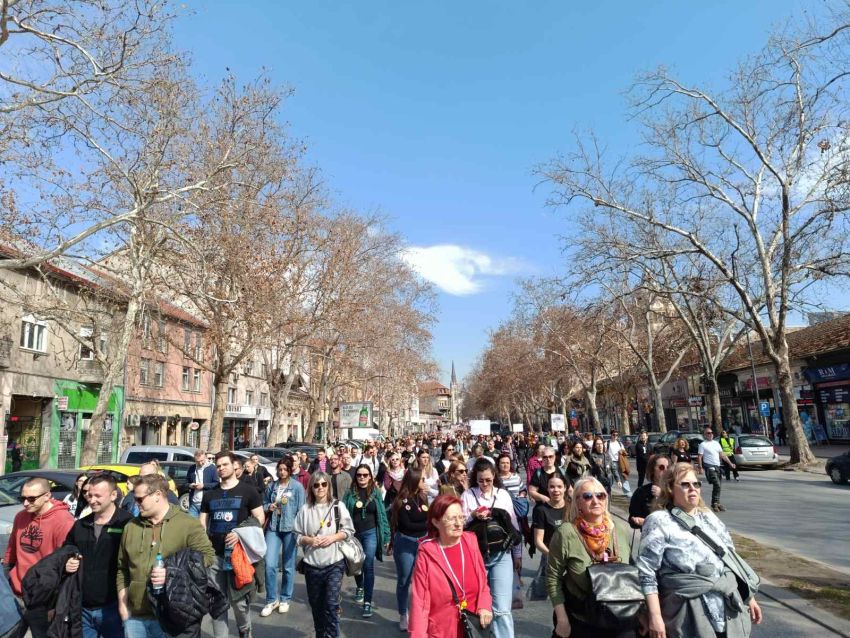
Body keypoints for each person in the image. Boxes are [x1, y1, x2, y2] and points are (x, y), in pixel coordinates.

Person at [636, 463, 763, 637]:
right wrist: (655, 616)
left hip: (727, 608)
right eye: (685, 485)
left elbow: (731, 559)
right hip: (687, 610)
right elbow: (647, 573)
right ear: (670, 489)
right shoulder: (659, 520)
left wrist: (748, 597)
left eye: (696, 484)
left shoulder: (709, 517)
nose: (692, 489)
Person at [117, 473, 215, 638]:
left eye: (140, 499)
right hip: (135, 618)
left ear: (158, 495)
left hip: (174, 617)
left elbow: (207, 557)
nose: (136, 503)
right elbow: (122, 568)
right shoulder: (131, 527)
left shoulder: (188, 524)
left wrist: (172, 571)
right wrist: (123, 606)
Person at [545, 476, 633, 638]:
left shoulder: (620, 529)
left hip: (622, 620)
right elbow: (553, 578)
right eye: (587, 496)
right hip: (582, 620)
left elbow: (634, 573)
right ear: (578, 502)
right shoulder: (566, 533)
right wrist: (562, 619)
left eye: (600, 495)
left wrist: (645, 614)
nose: (595, 501)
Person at [199, 451, 265, 638]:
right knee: (218, 604)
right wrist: (204, 546)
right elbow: (202, 522)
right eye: (218, 466)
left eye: (224, 465)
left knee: (240, 604)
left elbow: (259, 518)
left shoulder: (248, 491)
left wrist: (240, 534)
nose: (221, 468)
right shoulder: (210, 495)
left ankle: (245, 631)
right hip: (215, 557)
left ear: (234, 466)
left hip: (239, 557)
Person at [408, 494, 493, 638]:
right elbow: (420, 604)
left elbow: (483, 582)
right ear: (436, 522)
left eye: (461, 517)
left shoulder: (470, 542)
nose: (459, 524)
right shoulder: (427, 554)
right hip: (442, 631)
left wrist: (484, 605)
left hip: (474, 628)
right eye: (452, 518)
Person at [4, 477, 75, 637]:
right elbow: (11, 551)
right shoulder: (21, 517)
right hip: (16, 593)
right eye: (23, 498)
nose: (25, 503)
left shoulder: (64, 521)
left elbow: (64, 565)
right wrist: (7, 573)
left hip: (43, 598)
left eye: (31, 498)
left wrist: (56, 604)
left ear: (47, 496)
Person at [64, 473, 132, 638]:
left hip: (115, 608)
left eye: (97, 496)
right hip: (83, 609)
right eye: (89, 494)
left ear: (113, 495)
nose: (91, 499)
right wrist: (68, 561)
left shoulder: (128, 524)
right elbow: (66, 550)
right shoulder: (80, 525)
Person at [461, 458, 521, 638]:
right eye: (481, 480)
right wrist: (472, 515)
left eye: (488, 480)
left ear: (494, 476)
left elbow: (513, 525)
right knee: (477, 606)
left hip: (501, 554)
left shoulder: (502, 495)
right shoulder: (468, 495)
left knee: (502, 609)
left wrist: (517, 554)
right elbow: (458, 524)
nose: (485, 484)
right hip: (476, 556)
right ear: (475, 479)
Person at [293, 472, 355, 638]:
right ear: (311, 488)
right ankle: (320, 634)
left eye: (323, 484)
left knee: (331, 604)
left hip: (334, 563)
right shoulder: (305, 510)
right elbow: (296, 535)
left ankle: (333, 635)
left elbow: (349, 531)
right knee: (316, 605)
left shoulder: (338, 506)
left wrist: (333, 537)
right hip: (312, 565)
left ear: (328, 486)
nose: (320, 488)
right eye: (316, 485)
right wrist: (308, 540)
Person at [342, 464, 391, 618]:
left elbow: (382, 514)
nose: (362, 478)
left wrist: (386, 535)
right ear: (355, 477)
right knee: (357, 563)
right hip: (354, 534)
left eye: (365, 475)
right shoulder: (349, 494)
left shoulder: (375, 493)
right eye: (359, 475)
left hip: (371, 533)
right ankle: (360, 586)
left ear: (370, 477)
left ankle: (367, 602)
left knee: (368, 563)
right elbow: (343, 514)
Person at [262, 456, 305, 617]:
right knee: (269, 564)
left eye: (284, 469)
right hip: (273, 527)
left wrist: (300, 531)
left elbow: (302, 510)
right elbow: (263, 503)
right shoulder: (272, 486)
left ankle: (285, 598)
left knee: (288, 566)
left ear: (290, 470)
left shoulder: (297, 487)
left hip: (290, 528)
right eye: (279, 469)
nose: (281, 472)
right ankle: (271, 599)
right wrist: (269, 506)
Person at [390, 468, 430, 631]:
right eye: (422, 480)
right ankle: (402, 614)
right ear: (414, 481)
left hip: (423, 543)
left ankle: (422, 614)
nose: (424, 483)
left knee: (424, 581)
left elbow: (428, 517)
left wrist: (430, 524)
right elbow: (407, 525)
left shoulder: (423, 497)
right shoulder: (401, 501)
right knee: (404, 580)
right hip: (406, 543)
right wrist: (429, 524)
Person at [530, 473, 569, 600]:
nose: (556, 490)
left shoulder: (572, 507)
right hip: (550, 556)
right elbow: (538, 541)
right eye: (552, 487)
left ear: (565, 488)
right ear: (547, 489)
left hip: (572, 556)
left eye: (559, 486)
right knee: (552, 595)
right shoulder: (541, 510)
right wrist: (552, 555)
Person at [698, 428, 736, 512]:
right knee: (717, 484)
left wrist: (730, 464)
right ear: (704, 435)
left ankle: (717, 503)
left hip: (717, 466)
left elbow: (722, 455)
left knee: (719, 486)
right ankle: (714, 503)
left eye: (711, 432)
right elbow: (700, 456)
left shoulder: (716, 443)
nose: (710, 434)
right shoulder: (703, 444)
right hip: (709, 467)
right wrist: (700, 467)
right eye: (708, 433)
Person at [628, 454, 670, 529]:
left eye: (668, 467)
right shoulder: (641, 492)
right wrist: (640, 522)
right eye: (661, 467)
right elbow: (632, 520)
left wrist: (662, 496)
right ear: (652, 470)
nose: (666, 470)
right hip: (649, 537)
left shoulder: (675, 491)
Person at [186, 449, 218, 518]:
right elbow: (186, 482)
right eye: (197, 461)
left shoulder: (212, 468)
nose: (200, 463)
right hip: (193, 504)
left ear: (205, 458)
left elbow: (217, 484)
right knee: (192, 526)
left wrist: (203, 486)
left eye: (202, 461)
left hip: (206, 504)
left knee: (204, 527)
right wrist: (190, 485)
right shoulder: (192, 468)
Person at [606, 431, 631, 496]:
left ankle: (627, 492)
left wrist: (622, 451)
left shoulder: (619, 443)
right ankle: (608, 492)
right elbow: (604, 452)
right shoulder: (607, 443)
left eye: (617, 435)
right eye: (614, 435)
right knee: (610, 477)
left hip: (620, 462)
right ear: (611, 435)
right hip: (611, 462)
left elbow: (624, 451)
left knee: (623, 476)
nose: (615, 436)